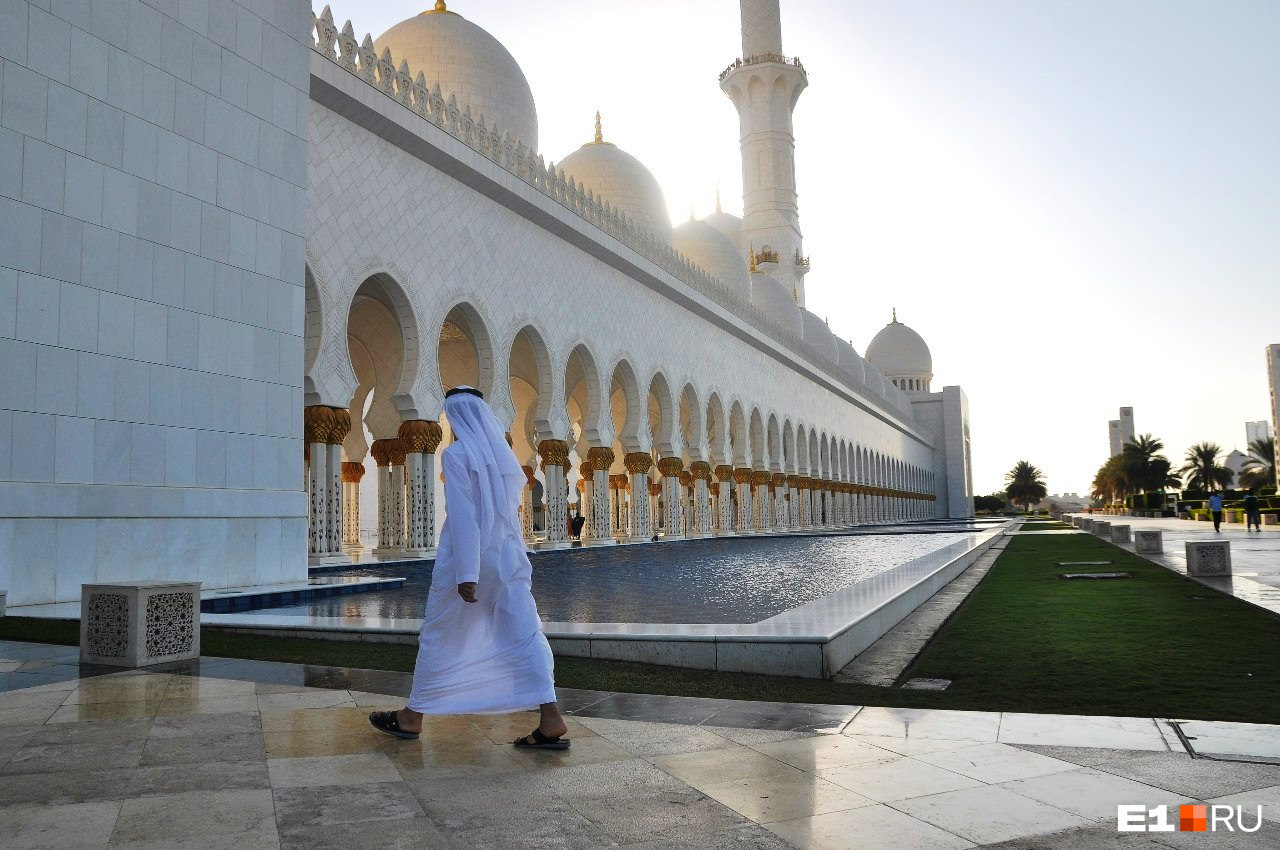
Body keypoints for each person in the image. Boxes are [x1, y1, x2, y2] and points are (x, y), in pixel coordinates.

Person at [368, 386, 569, 750]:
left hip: (470, 560)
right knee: (524, 632)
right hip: (508, 558)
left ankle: (413, 717)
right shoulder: (502, 457)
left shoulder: (457, 454)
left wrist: (466, 574)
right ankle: (551, 717)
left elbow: (463, 516)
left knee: (440, 632)